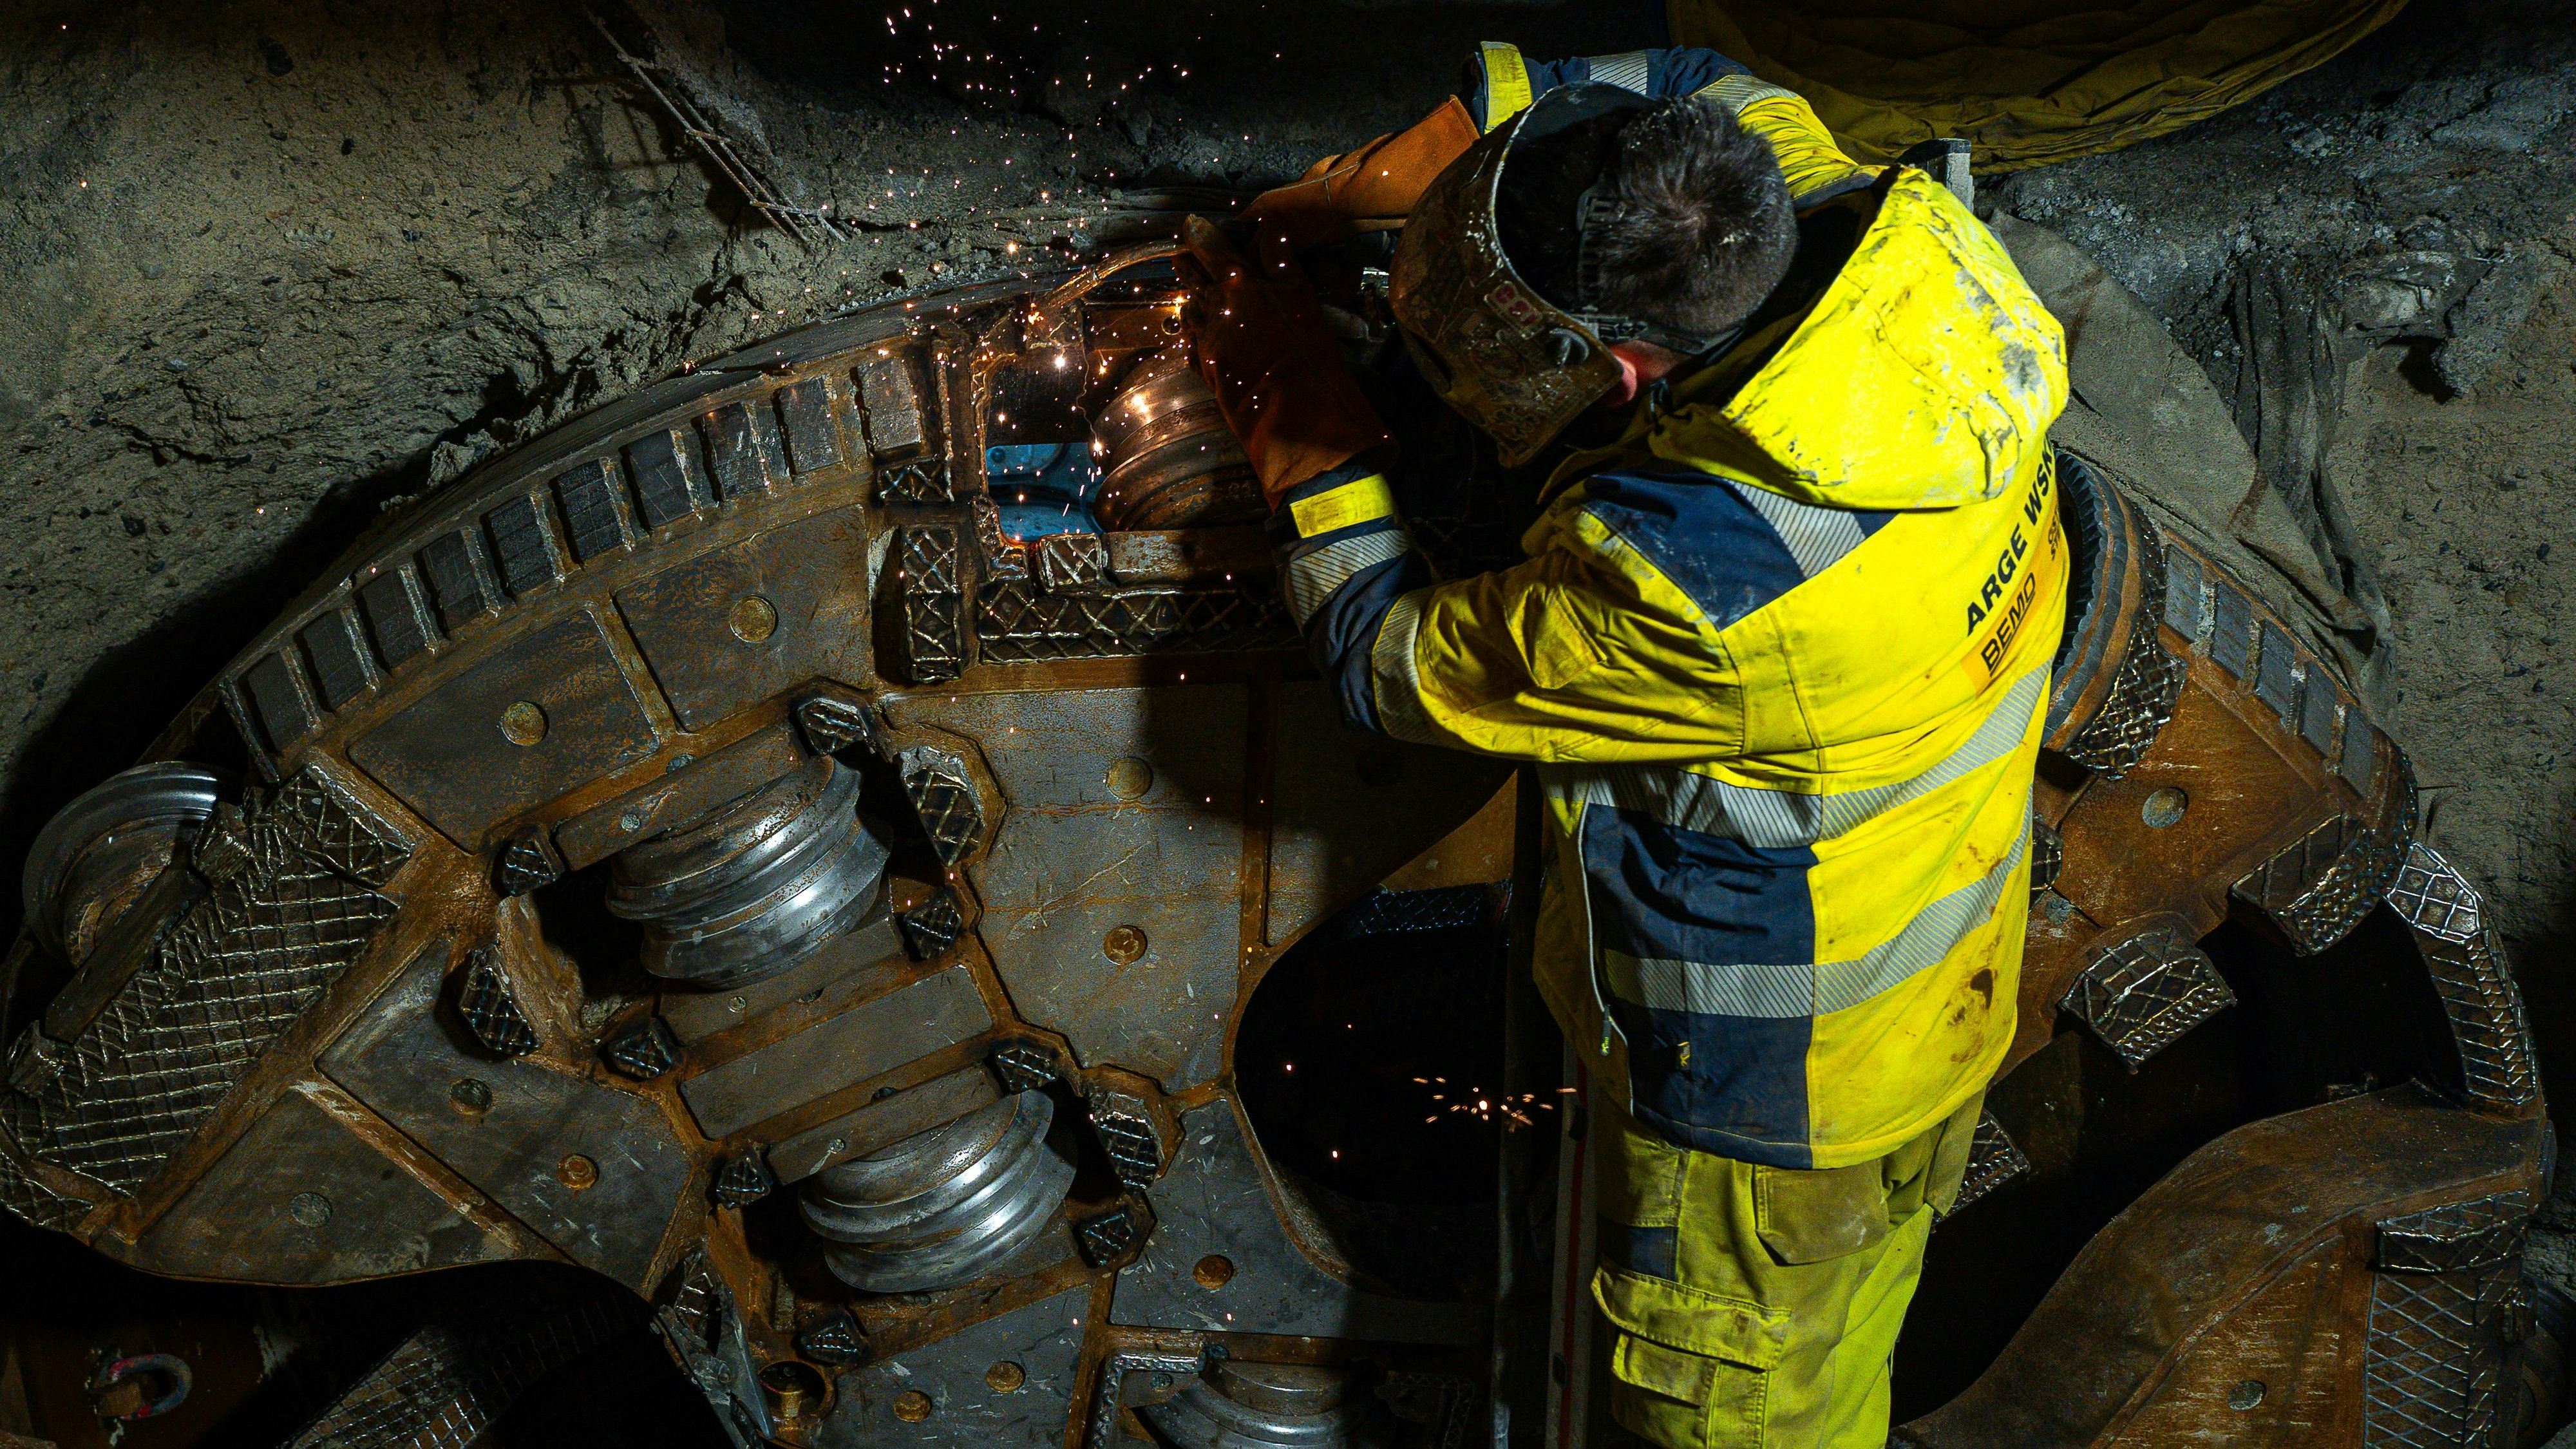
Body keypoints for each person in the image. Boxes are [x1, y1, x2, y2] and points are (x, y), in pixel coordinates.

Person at [1180, 43, 2071, 1449]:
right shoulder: (1892, 235)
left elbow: (1388, 663)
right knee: (1842, 1335)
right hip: (1937, 962)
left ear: (1615, 369)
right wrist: (1457, 125)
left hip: (1770, 1105)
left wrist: (1295, 421)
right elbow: (1690, 68)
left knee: (1731, 1411)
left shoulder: (1699, 585)